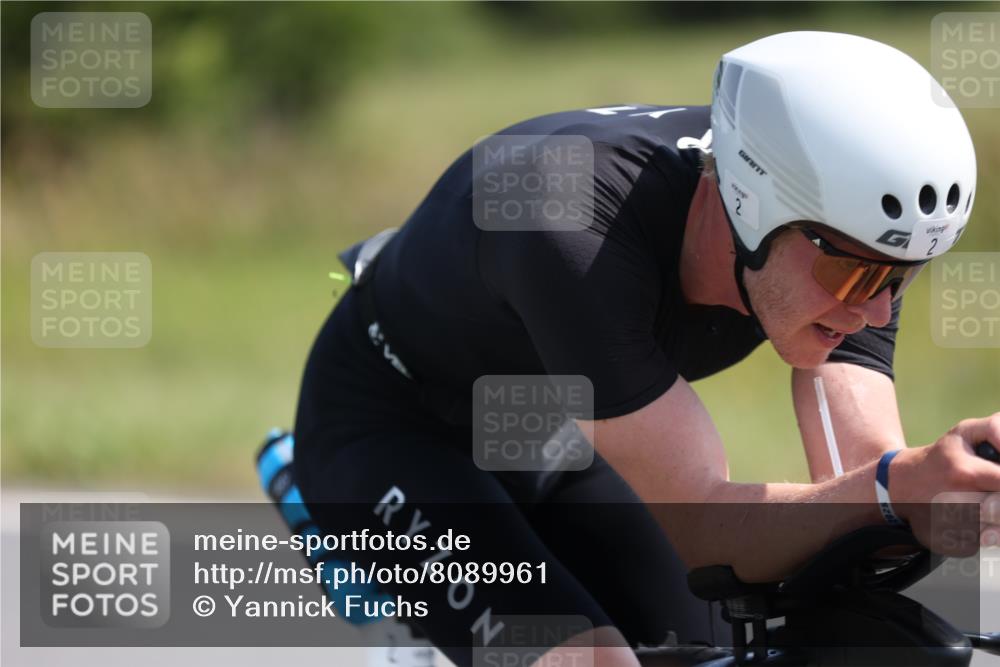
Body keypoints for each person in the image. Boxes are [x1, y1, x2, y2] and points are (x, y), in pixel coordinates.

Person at [292, 31, 999, 667]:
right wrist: (894, 490)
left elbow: (866, 483)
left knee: (714, 648)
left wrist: (950, 489)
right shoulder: (570, 228)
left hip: (556, 433)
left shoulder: (846, 230)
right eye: (858, 273)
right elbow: (710, 529)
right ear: (754, 207)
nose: (878, 307)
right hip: (395, 428)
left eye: (902, 275)